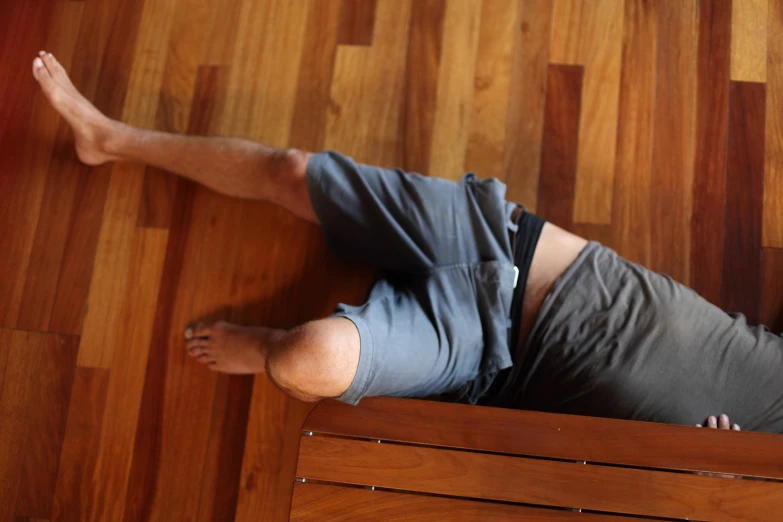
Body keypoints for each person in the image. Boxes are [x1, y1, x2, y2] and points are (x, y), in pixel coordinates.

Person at [32, 51, 779, 433]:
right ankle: (110, 138)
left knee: (303, 356)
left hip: (488, 356)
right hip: (514, 244)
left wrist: (706, 475)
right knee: (293, 171)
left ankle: (265, 347)